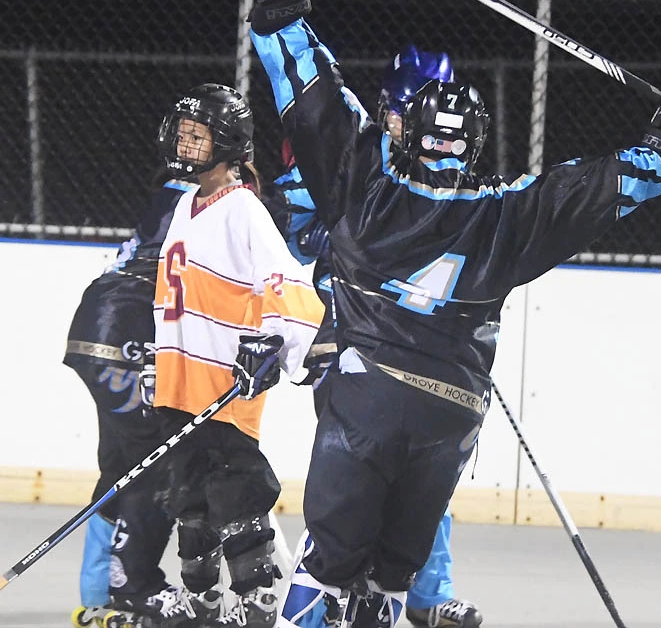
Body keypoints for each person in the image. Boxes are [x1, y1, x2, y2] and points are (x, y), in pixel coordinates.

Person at [238, 0, 661, 628]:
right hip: (451, 412)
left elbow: (317, 104)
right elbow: (598, 187)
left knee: (330, 562)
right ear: (477, 140)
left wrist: (282, 15)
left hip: (366, 395)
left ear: (404, 124)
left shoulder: (368, 187)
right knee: (393, 579)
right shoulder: (507, 214)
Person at [263, 45, 483, 628]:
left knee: (423, 472)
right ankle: (331, 592)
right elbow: (297, 235)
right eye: (404, 110)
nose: (415, 125)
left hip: (421, 346)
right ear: (388, 106)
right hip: (353, 343)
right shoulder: (355, 155)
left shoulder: (447, 176)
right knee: (353, 484)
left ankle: (423, 595)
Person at [133, 83, 325, 628]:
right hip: (179, 384)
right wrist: (157, 358)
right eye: (184, 134)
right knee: (190, 508)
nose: (186, 144)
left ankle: (257, 607)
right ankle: (203, 607)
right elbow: (174, 294)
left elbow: (283, 281)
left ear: (230, 144)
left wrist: (273, 343)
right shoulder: (184, 205)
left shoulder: (243, 208)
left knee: (236, 503)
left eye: (199, 137)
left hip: (223, 386)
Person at [64, 174, 192, 628]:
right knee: (156, 459)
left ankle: (96, 599)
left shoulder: (177, 191)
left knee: (122, 466)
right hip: (122, 336)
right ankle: (134, 587)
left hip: (104, 329)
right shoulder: (203, 198)